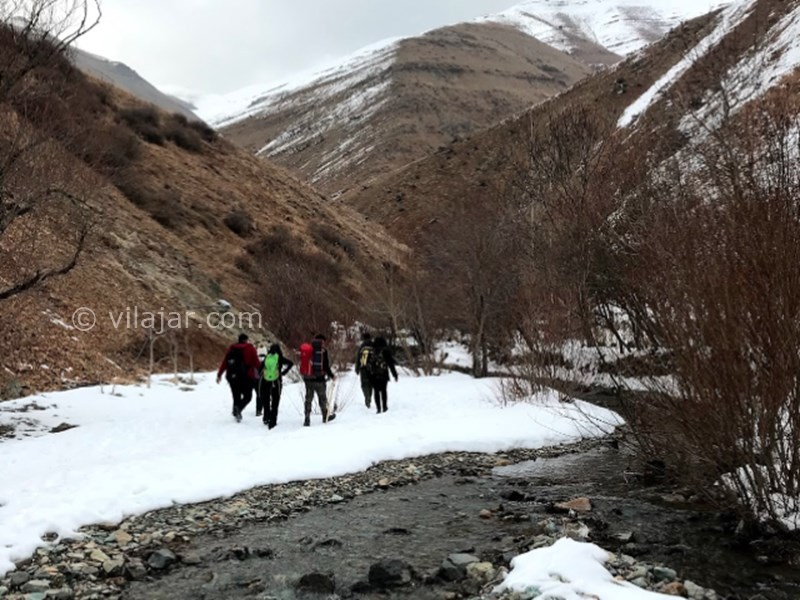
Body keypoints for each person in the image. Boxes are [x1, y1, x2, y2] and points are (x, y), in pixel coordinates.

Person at [217, 333, 260, 422]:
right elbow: (256, 363)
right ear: (246, 340)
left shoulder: (231, 349)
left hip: (232, 376)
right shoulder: (250, 348)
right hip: (246, 377)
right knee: (248, 396)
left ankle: (236, 412)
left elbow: (225, 362)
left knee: (236, 395)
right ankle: (238, 409)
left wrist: (219, 374)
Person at [299, 334, 336, 426]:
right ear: (323, 341)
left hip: (308, 379)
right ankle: (325, 416)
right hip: (320, 379)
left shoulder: (309, 349)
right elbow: (326, 366)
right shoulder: (323, 351)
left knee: (308, 399)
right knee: (322, 398)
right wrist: (331, 375)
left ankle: (307, 418)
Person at [258, 343, 294, 429]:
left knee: (266, 400)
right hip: (276, 381)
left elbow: (259, 369)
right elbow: (291, 363)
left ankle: (266, 417)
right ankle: (273, 421)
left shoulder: (267, 357)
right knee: (275, 401)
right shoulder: (280, 358)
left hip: (266, 381)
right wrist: (284, 372)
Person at [368, 336, 398, 414]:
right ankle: (384, 407)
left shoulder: (372, 351)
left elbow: (368, 364)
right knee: (384, 391)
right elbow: (391, 364)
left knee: (376, 391)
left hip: (374, 375)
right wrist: (395, 374)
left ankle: (378, 408)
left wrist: (369, 375)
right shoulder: (386, 351)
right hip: (383, 374)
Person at [354, 331, 374, 408]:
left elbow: (358, 357)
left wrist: (357, 368)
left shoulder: (362, 346)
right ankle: (369, 398)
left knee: (364, 385)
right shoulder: (373, 346)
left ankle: (367, 397)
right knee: (371, 385)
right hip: (372, 369)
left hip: (363, 368)